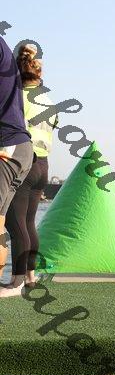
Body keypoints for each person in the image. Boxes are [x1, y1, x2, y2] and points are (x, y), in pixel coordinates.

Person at [1, 44, 58, 298]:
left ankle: (16, 281)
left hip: (23, 159)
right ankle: (31, 277)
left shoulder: (18, 97)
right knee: (29, 223)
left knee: (15, 224)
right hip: (43, 165)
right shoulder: (48, 101)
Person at [0, 37, 34, 297]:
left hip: (7, 147)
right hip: (19, 148)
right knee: (2, 222)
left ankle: (15, 282)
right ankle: (15, 282)